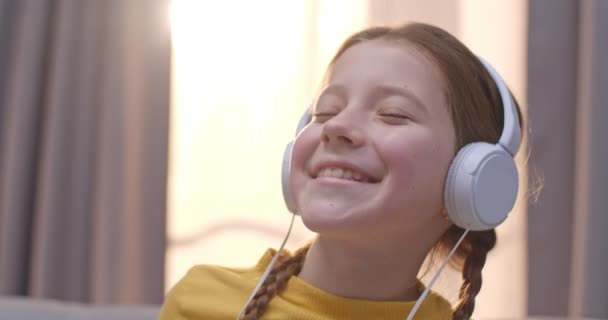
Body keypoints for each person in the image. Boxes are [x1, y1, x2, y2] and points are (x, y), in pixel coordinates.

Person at [160, 22, 525, 320]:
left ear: (467, 182)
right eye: (326, 112)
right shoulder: (199, 303)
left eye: (393, 114)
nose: (337, 127)